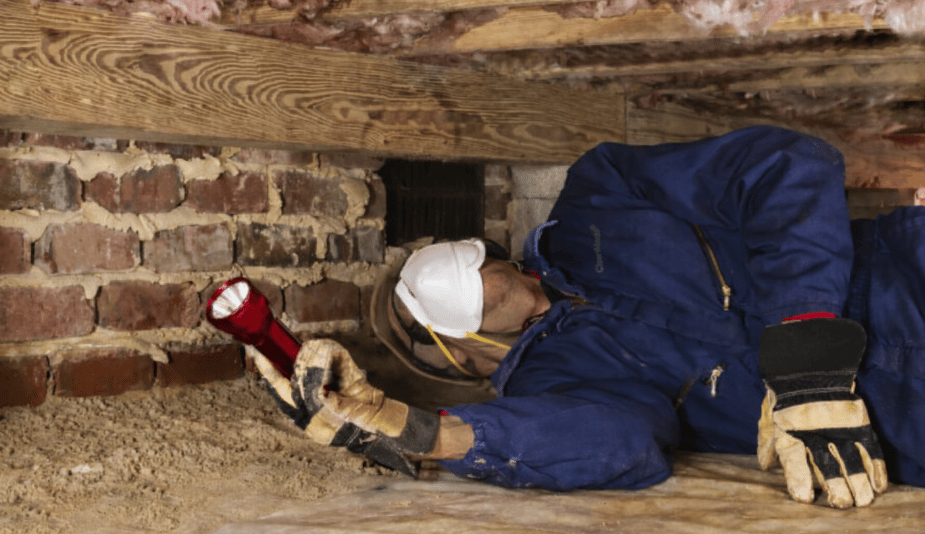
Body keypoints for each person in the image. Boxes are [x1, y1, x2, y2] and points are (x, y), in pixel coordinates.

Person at [253, 125, 925, 510]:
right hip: (895, 415)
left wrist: (805, 353)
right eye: (411, 324)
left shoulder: (599, 196)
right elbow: (616, 442)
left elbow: (785, 165)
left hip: (900, 273)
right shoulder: (554, 386)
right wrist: (416, 432)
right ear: (452, 357)